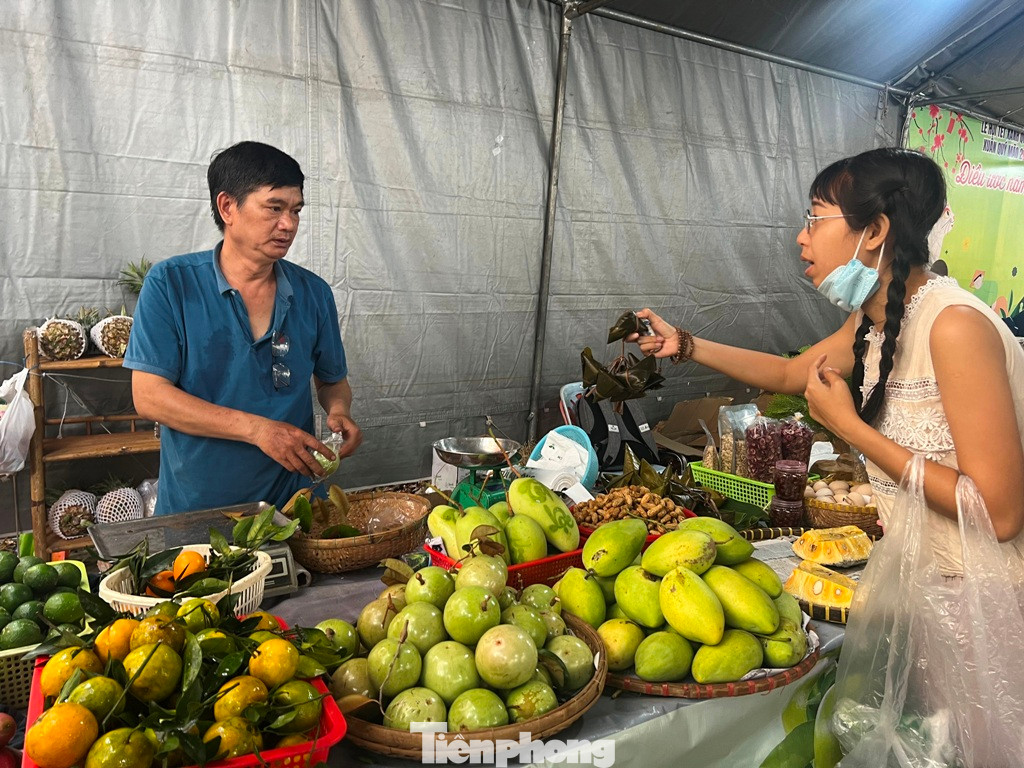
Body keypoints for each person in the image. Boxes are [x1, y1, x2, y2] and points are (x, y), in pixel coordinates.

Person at [631, 146, 1024, 568]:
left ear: (874, 232)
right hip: (918, 578)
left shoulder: (954, 326)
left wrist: (849, 428)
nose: (801, 236)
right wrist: (685, 345)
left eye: (814, 219)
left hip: (981, 595)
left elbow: (1000, 515)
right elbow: (787, 373)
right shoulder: (874, 321)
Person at [124, 141, 362, 515]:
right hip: (197, 508)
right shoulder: (172, 284)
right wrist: (258, 430)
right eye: (274, 208)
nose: (288, 224)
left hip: (291, 505)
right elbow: (150, 396)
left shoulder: (313, 293)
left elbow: (332, 380)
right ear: (227, 207)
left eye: (296, 211)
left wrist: (340, 410)